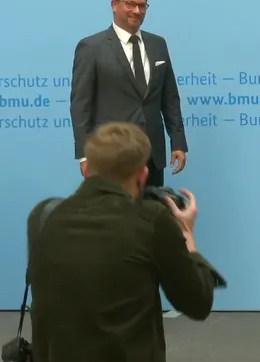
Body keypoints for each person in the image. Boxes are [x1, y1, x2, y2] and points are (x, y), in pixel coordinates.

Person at [26, 122, 217, 361]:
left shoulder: (44, 215)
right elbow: (197, 303)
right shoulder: (150, 220)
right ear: (143, 174)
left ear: (87, 170)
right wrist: (187, 235)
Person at [70, 0, 188, 187]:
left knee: (153, 208)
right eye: (130, 4)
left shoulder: (158, 44)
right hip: (111, 156)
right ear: (114, 4)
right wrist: (84, 155)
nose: (137, 11)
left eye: (142, 6)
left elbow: (170, 98)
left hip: (152, 156)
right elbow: (81, 106)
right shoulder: (91, 47)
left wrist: (178, 142)